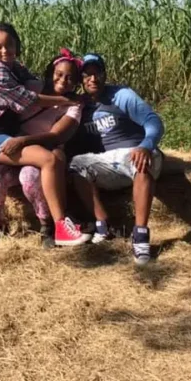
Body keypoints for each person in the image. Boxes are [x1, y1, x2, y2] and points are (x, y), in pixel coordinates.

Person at [0, 22, 91, 246]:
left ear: (17, 45)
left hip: (8, 136)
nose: (5, 51)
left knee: (38, 169)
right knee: (0, 169)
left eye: (9, 45)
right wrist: (66, 99)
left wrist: (22, 139)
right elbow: (29, 99)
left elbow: (57, 136)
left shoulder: (16, 69)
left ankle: (49, 226)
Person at [68, 53, 165, 266]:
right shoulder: (81, 107)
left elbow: (153, 121)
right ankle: (103, 225)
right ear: (81, 80)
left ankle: (140, 235)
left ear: (104, 75)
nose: (93, 79)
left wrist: (145, 146)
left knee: (140, 162)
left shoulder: (121, 95)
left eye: (97, 73)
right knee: (75, 165)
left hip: (135, 153)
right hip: (108, 161)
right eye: (87, 75)